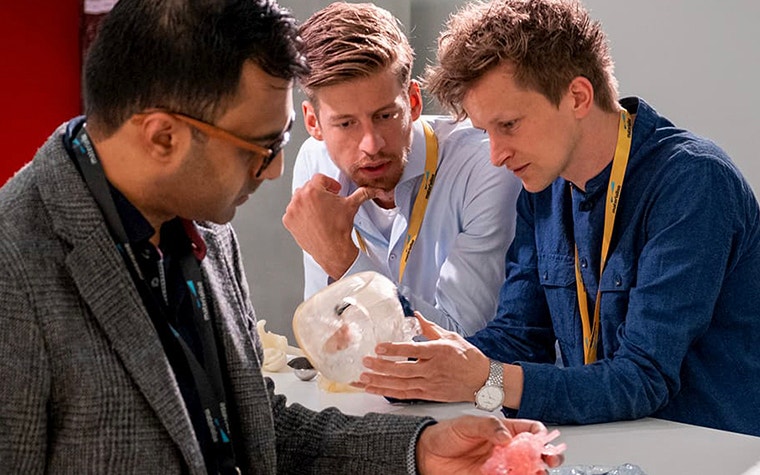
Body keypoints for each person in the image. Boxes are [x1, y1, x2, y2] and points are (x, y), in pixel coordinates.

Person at [0, 0, 564, 473]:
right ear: (163, 138)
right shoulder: (14, 267)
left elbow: (256, 419)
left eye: (284, 141)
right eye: (260, 148)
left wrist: (414, 450)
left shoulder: (204, 231)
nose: (275, 171)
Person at [358, 0, 760, 437]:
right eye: (486, 132)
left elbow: (642, 379)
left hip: (711, 454)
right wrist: (424, 370)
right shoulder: (543, 187)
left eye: (509, 125)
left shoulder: (694, 182)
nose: (496, 156)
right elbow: (519, 337)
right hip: (605, 444)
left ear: (578, 97)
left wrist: (483, 378)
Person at [282, 2, 521, 336]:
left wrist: (345, 262)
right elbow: (329, 334)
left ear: (413, 102)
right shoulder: (314, 163)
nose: (372, 144)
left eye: (385, 116)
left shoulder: (485, 167)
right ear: (313, 122)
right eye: (346, 124)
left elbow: (464, 344)